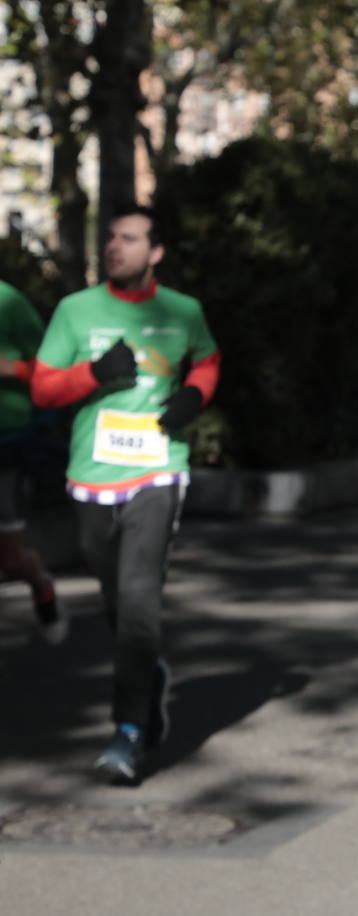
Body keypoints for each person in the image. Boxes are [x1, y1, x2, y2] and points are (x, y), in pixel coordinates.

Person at [32, 204, 220, 783]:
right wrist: (92, 373)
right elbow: (42, 388)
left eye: (130, 238)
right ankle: (148, 673)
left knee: (140, 598)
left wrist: (192, 397)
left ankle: (128, 731)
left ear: (155, 251)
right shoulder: (75, 310)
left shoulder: (183, 311)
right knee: (115, 595)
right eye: (111, 238)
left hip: (159, 471)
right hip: (92, 474)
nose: (116, 247)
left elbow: (207, 361)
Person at [0, 278, 62, 643]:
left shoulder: (9, 300)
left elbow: (51, 367)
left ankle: (40, 583)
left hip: (7, 440)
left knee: (8, 558)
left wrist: (11, 370)